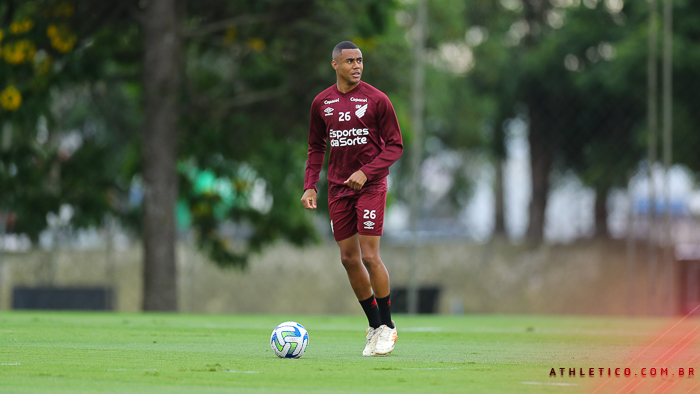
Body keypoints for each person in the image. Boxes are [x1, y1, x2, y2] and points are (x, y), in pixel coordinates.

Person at [301, 41, 403, 356]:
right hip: (337, 187)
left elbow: (395, 146)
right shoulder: (322, 103)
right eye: (350, 61)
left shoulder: (377, 100)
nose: (357, 66)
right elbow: (316, 147)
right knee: (348, 259)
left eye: (360, 61)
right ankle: (374, 326)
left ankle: (388, 326)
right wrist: (310, 185)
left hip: (370, 186)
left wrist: (367, 172)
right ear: (335, 65)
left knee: (370, 256)